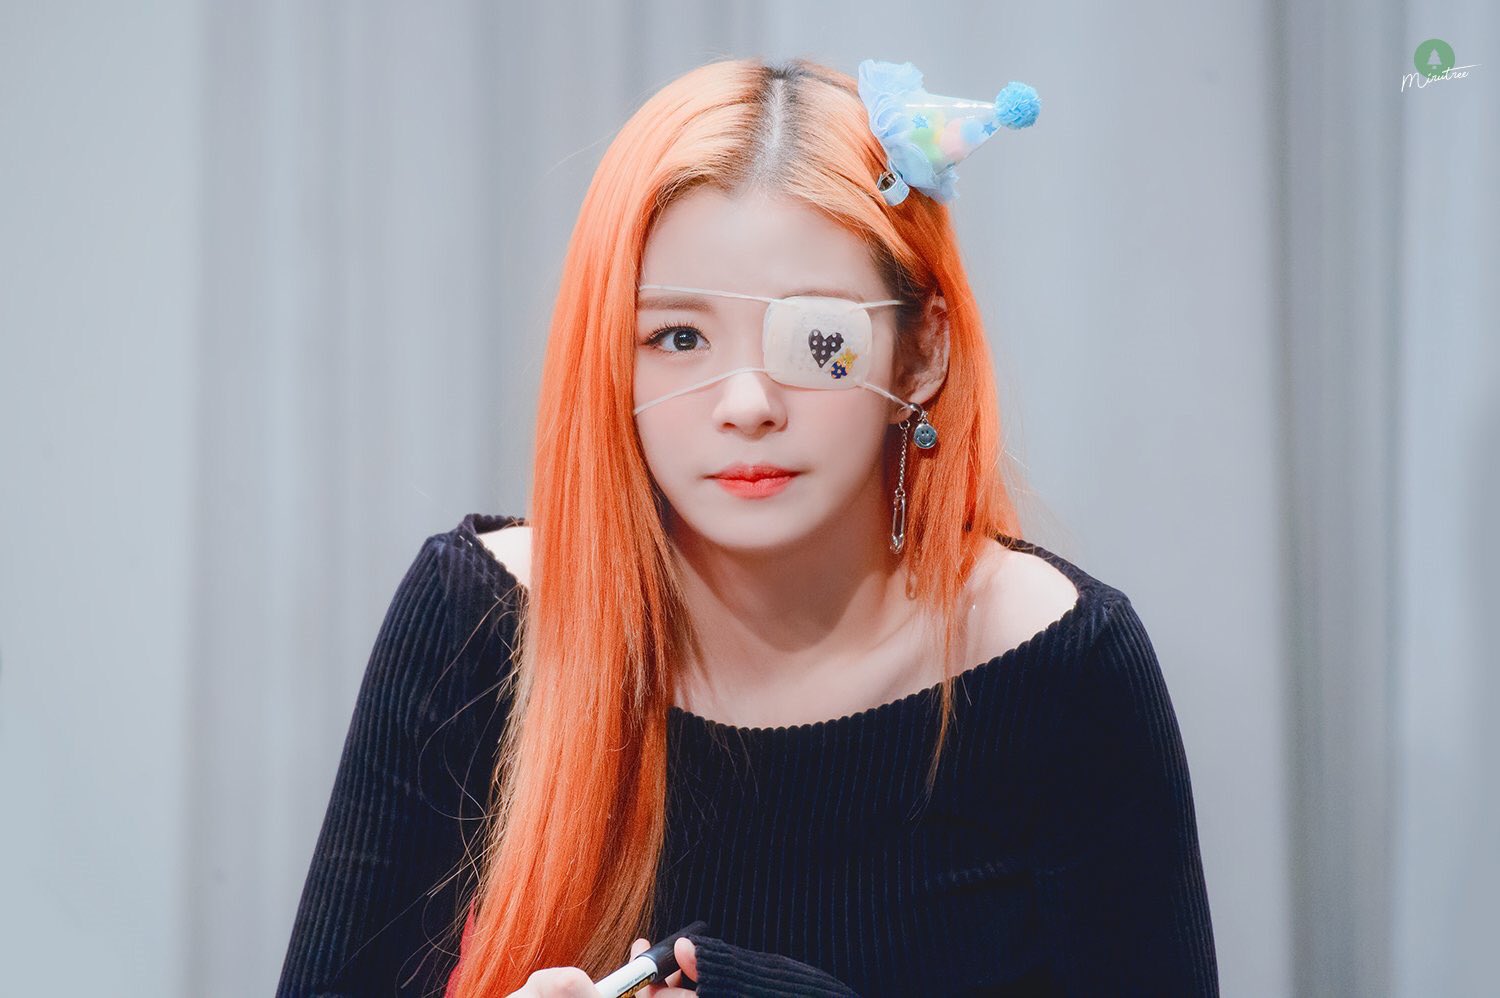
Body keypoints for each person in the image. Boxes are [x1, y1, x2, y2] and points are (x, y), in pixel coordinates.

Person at [276, 56, 1219, 997]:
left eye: (816, 339)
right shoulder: (477, 622)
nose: (746, 404)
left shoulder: (1063, 668)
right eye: (678, 338)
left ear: (922, 351)